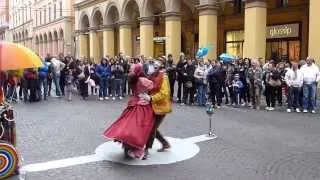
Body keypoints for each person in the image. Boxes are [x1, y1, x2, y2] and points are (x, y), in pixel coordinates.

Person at [104, 63, 155, 159]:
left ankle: (130, 148)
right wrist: (146, 94)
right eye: (131, 70)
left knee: (129, 125)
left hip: (135, 103)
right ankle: (136, 148)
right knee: (138, 128)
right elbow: (152, 85)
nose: (130, 71)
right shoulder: (141, 80)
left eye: (132, 70)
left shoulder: (132, 79)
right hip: (141, 105)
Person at [143, 60, 172, 160]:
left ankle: (146, 150)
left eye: (157, 64)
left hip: (161, 108)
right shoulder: (153, 76)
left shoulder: (164, 77)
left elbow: (164, 93)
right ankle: (165, 143)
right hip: (153, 106)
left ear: (161, 66)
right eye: (154, 64)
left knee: (151, 128)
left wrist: (151, 98)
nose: (154, 65)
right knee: (152, 127)